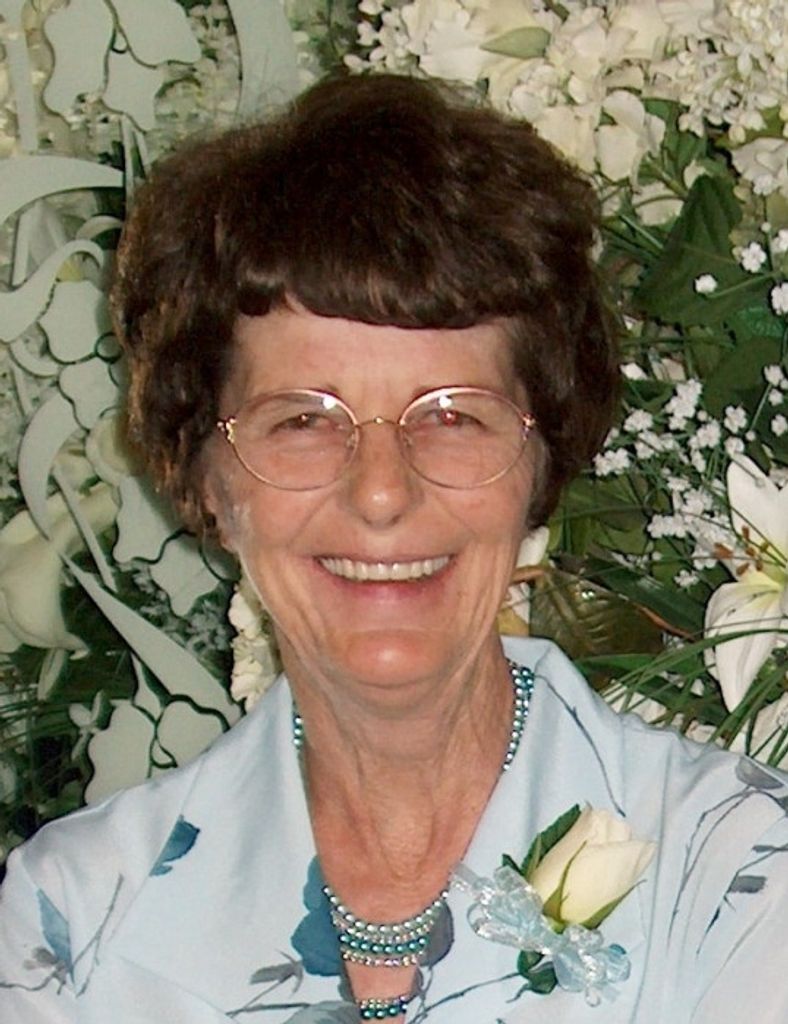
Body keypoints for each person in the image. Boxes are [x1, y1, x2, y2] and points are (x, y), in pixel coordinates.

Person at [0, 74, 785, 1024]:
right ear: (207, 479)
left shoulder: (741, 872)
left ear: (540, 460)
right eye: (302, 420)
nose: (380, 492)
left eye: (452, 416)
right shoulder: (74, 925)